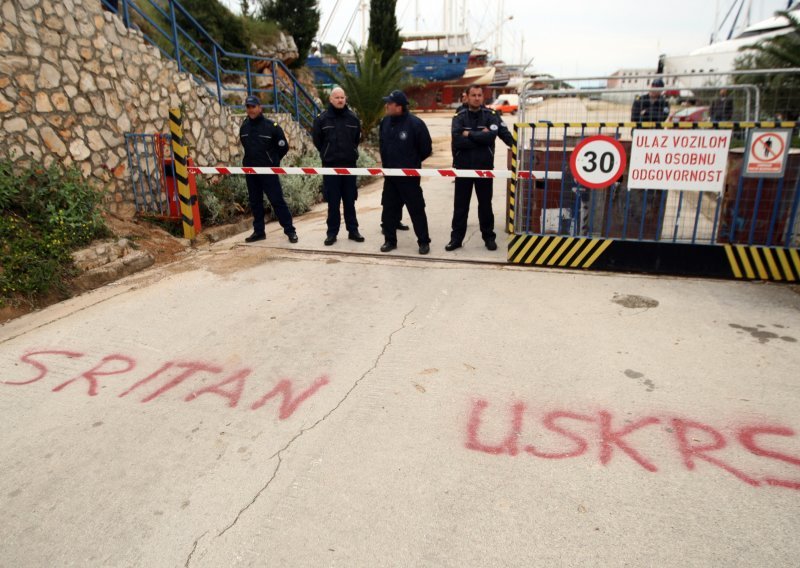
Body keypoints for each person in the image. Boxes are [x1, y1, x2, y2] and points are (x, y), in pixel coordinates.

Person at [446, 84, 514, 251]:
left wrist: (469, 134)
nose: (476, 98)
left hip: (484, 168)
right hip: (463, 168)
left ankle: (489, 238)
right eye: (473, 95)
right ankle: (456, 239)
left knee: (485, 205)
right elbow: (457, 141)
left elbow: (491, 137)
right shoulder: (459, 116)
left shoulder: (491, 115)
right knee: (460, 206)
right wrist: (480, 136)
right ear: (467, 97)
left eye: (479, 95)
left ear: (483, 97)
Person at [378, 90, 433, 255]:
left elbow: (426, 149)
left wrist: (412, 163)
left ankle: (423, 242)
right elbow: (382, 145)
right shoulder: (385, 122)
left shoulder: (415, 124)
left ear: (399, 106)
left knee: (416, 209)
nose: (386, 105)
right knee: (389, 209)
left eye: (390, 103)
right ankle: (390, 240)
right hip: (390, 176)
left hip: (409, 178)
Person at [239, 95, 298, 243]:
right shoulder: (244, 127)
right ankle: (259, 232)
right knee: (255, 202)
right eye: (248, 107)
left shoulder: (272, 127)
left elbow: (283, 147)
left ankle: (290, 231)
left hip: (268, 172)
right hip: (251, 171)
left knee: (277, 201)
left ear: (260, 107)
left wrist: (273, 163)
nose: (251, 110)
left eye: (253, 107)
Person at [312, 87, 364, 246]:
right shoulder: (322, 119)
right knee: (333, 202)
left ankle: (353, 231)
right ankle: (332, 233)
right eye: (337, 97)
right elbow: (317, 141)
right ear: (330, 99)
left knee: (350, 200)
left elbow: (356, 139)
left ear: (345, 99)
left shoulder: (353, 118)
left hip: (349, 166)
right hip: (330, 167)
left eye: (342, 97)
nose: (340, 100)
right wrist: (327, 153)